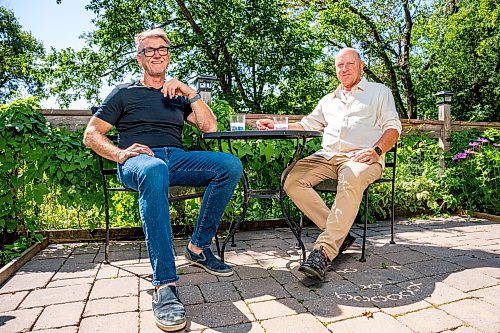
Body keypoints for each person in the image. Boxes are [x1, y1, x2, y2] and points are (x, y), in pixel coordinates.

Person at [83, 28, 242, 332]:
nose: (157, 54)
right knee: (155, 168)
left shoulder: (177, 94)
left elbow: (209, 127)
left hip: (176, 158)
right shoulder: (124, 93)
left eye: (162, 49)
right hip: (139, 160)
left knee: (230, 165)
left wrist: (189, 92)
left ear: (169, 54)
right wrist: (120, 154)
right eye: (149, 50)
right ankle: (165, 285)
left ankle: (197, 248)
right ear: (138, 56)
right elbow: (91, 134)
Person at [256, 48, 401, 281]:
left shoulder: (378, 92)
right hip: (328, 156)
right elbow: (306, 125)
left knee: (351, 175)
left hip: (361, 158)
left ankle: (323, 252)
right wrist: (276, 125)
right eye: (339, 65)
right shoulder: (328, 100)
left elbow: (393, 128)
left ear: (361, 66)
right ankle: (340, 235)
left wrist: (376, 151)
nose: (344, 69)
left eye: (349, 64)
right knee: (291, 179)